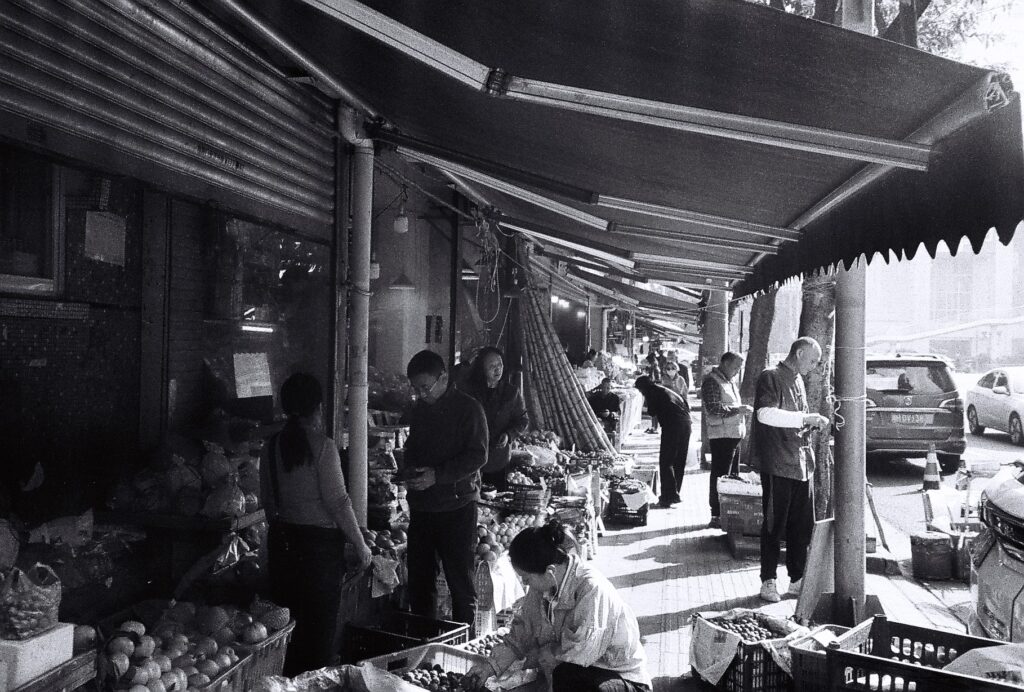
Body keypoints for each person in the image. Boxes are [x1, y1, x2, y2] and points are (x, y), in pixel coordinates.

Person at [260, 373, 373, 675]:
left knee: (287, 636)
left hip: (283, 548)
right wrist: (361, 547)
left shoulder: (269, 449)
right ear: (319, 407)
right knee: (317, 640)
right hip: (319, 557)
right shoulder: (323, 447)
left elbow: (269, 506)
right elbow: (339, 503)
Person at [463, 521, 651, 692]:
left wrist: (544, 653)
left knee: (566, 675)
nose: (526, 584)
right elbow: (521, 634)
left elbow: (580, 655)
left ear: (550, 571)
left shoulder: (591, 590)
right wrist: (491, 666)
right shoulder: (543, 586)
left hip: (619, 677)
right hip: (573, 672)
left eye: (527, 579)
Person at [403, 350, 489, 625]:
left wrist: (437, 476)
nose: (421, 394)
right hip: (422, 507)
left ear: (444, 378)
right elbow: (412, 447)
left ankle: (466, 641)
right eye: (416, 389)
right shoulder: (419, 410)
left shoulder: (469, 408)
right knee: (420, 581)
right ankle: (422, 642)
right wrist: (409, 470)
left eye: (425, 387)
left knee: (460, 580)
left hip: (457, 506)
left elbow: (478, 455)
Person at [752, 337, 829, 603]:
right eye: (812, 361)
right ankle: (768, 580)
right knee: (774, 525)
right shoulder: (770, 377)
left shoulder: (797, 379)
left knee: (801, 525)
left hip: (800, 463)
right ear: (798, 353)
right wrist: (805, 418)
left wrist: (807, 423)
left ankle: (797, 579)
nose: (814, 367)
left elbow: (794, 418)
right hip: (778, 463)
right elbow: (765, 414)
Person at [463, 346, 530, 491]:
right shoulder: (470, 392)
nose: (497, 369)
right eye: (492, 366)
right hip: (471, 458)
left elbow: (523, 420)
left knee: (496, 500)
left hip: (498, 459)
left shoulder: (511, 393)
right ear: (482, 369)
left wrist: (508, 435)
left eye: (499, 364)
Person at [701, 352, 754, 529]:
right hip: (722, 436)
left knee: (731, 475)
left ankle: (728, 511)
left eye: (740, 367)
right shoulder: (712, 381)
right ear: (724, 363)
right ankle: (716, 513)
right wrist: (738, 410)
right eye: (735, 366)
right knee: (720, 475)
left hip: (733, 435)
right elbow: (714, 407)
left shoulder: (729, 381)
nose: (737, 371)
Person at [634, 375, 691, 508]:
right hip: (686, 423)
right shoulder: (664, 389)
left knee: (666, 461)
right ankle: (675, 494)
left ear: (643, 388)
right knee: (679, 461)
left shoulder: (652, 392)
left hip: (673, 425)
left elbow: (652, 412)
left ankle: (667, 496)